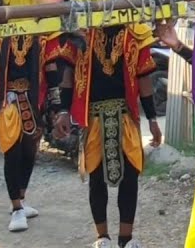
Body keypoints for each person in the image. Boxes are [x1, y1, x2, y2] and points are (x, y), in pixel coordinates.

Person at [51, 16, 161, 248]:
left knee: (130, 175)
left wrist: (152, 118)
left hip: (125, 116)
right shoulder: (81, 32)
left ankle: (126, 238)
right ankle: (102, 237)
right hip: (93, 117)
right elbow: (68, 75)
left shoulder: (137, 34)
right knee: (96, 176)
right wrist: (63, 110)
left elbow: (143, 78)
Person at [0, 0, 49, 233]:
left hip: (31, 100)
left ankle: (21, 200)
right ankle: (15, 208)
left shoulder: (36, 32)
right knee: (12, 153)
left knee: (30, 151)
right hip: (8, 101)